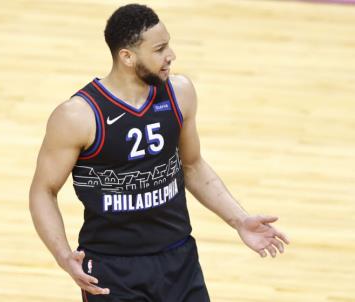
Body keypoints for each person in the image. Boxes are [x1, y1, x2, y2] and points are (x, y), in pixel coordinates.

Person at [29, 3, 290, 302]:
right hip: (113, 269)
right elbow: (43, 190)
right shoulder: (78, 116)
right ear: (127, 56)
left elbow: (192, 166)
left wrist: (239, 220)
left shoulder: (180, 93)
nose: (171, 56)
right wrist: (62, 255)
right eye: (160, 49)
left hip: (179, 258)